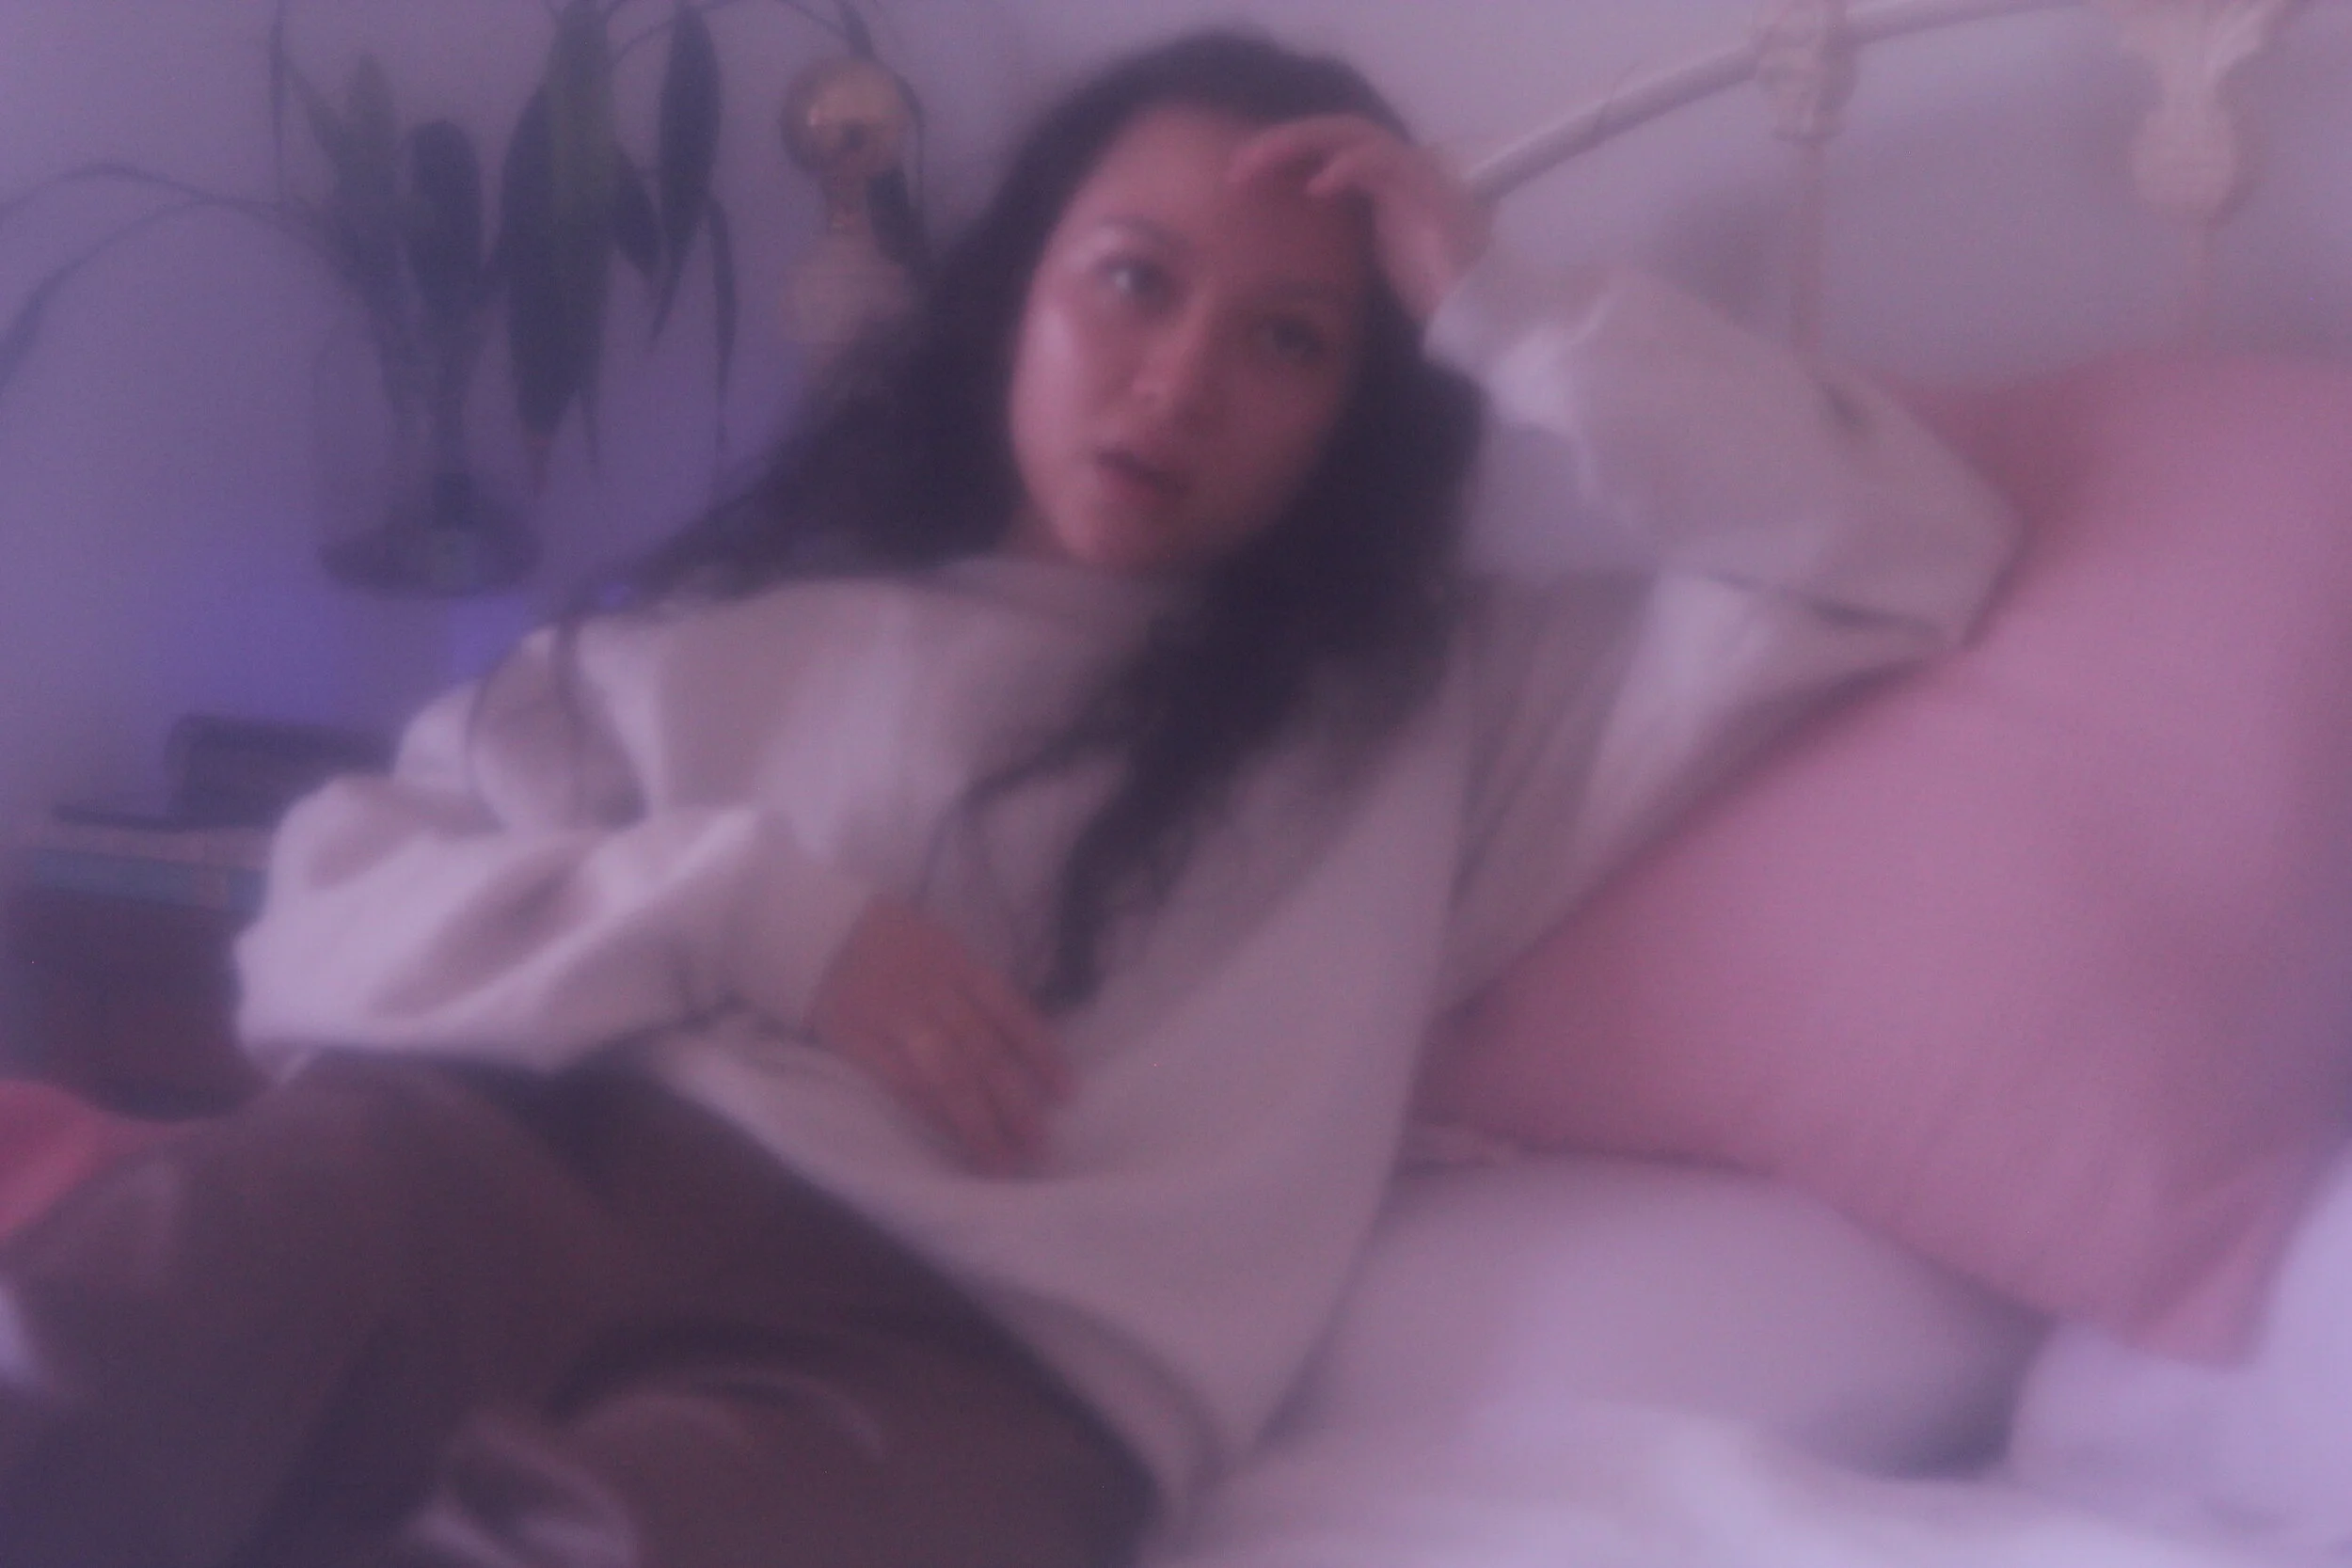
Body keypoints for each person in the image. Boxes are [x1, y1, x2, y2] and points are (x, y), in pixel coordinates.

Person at [0, 28, 2015, 1568]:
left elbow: (1899, 551)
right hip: (524, 1156)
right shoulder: (738, 627)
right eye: (1131, 281)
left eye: (1289, 339)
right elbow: (323, 912)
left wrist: (1500, 302)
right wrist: (754, 917)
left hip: (971, 1354)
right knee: (127, 1332)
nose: (1178, 379)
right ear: (1014, 296)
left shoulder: (1446, 718)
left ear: (1366, 405)